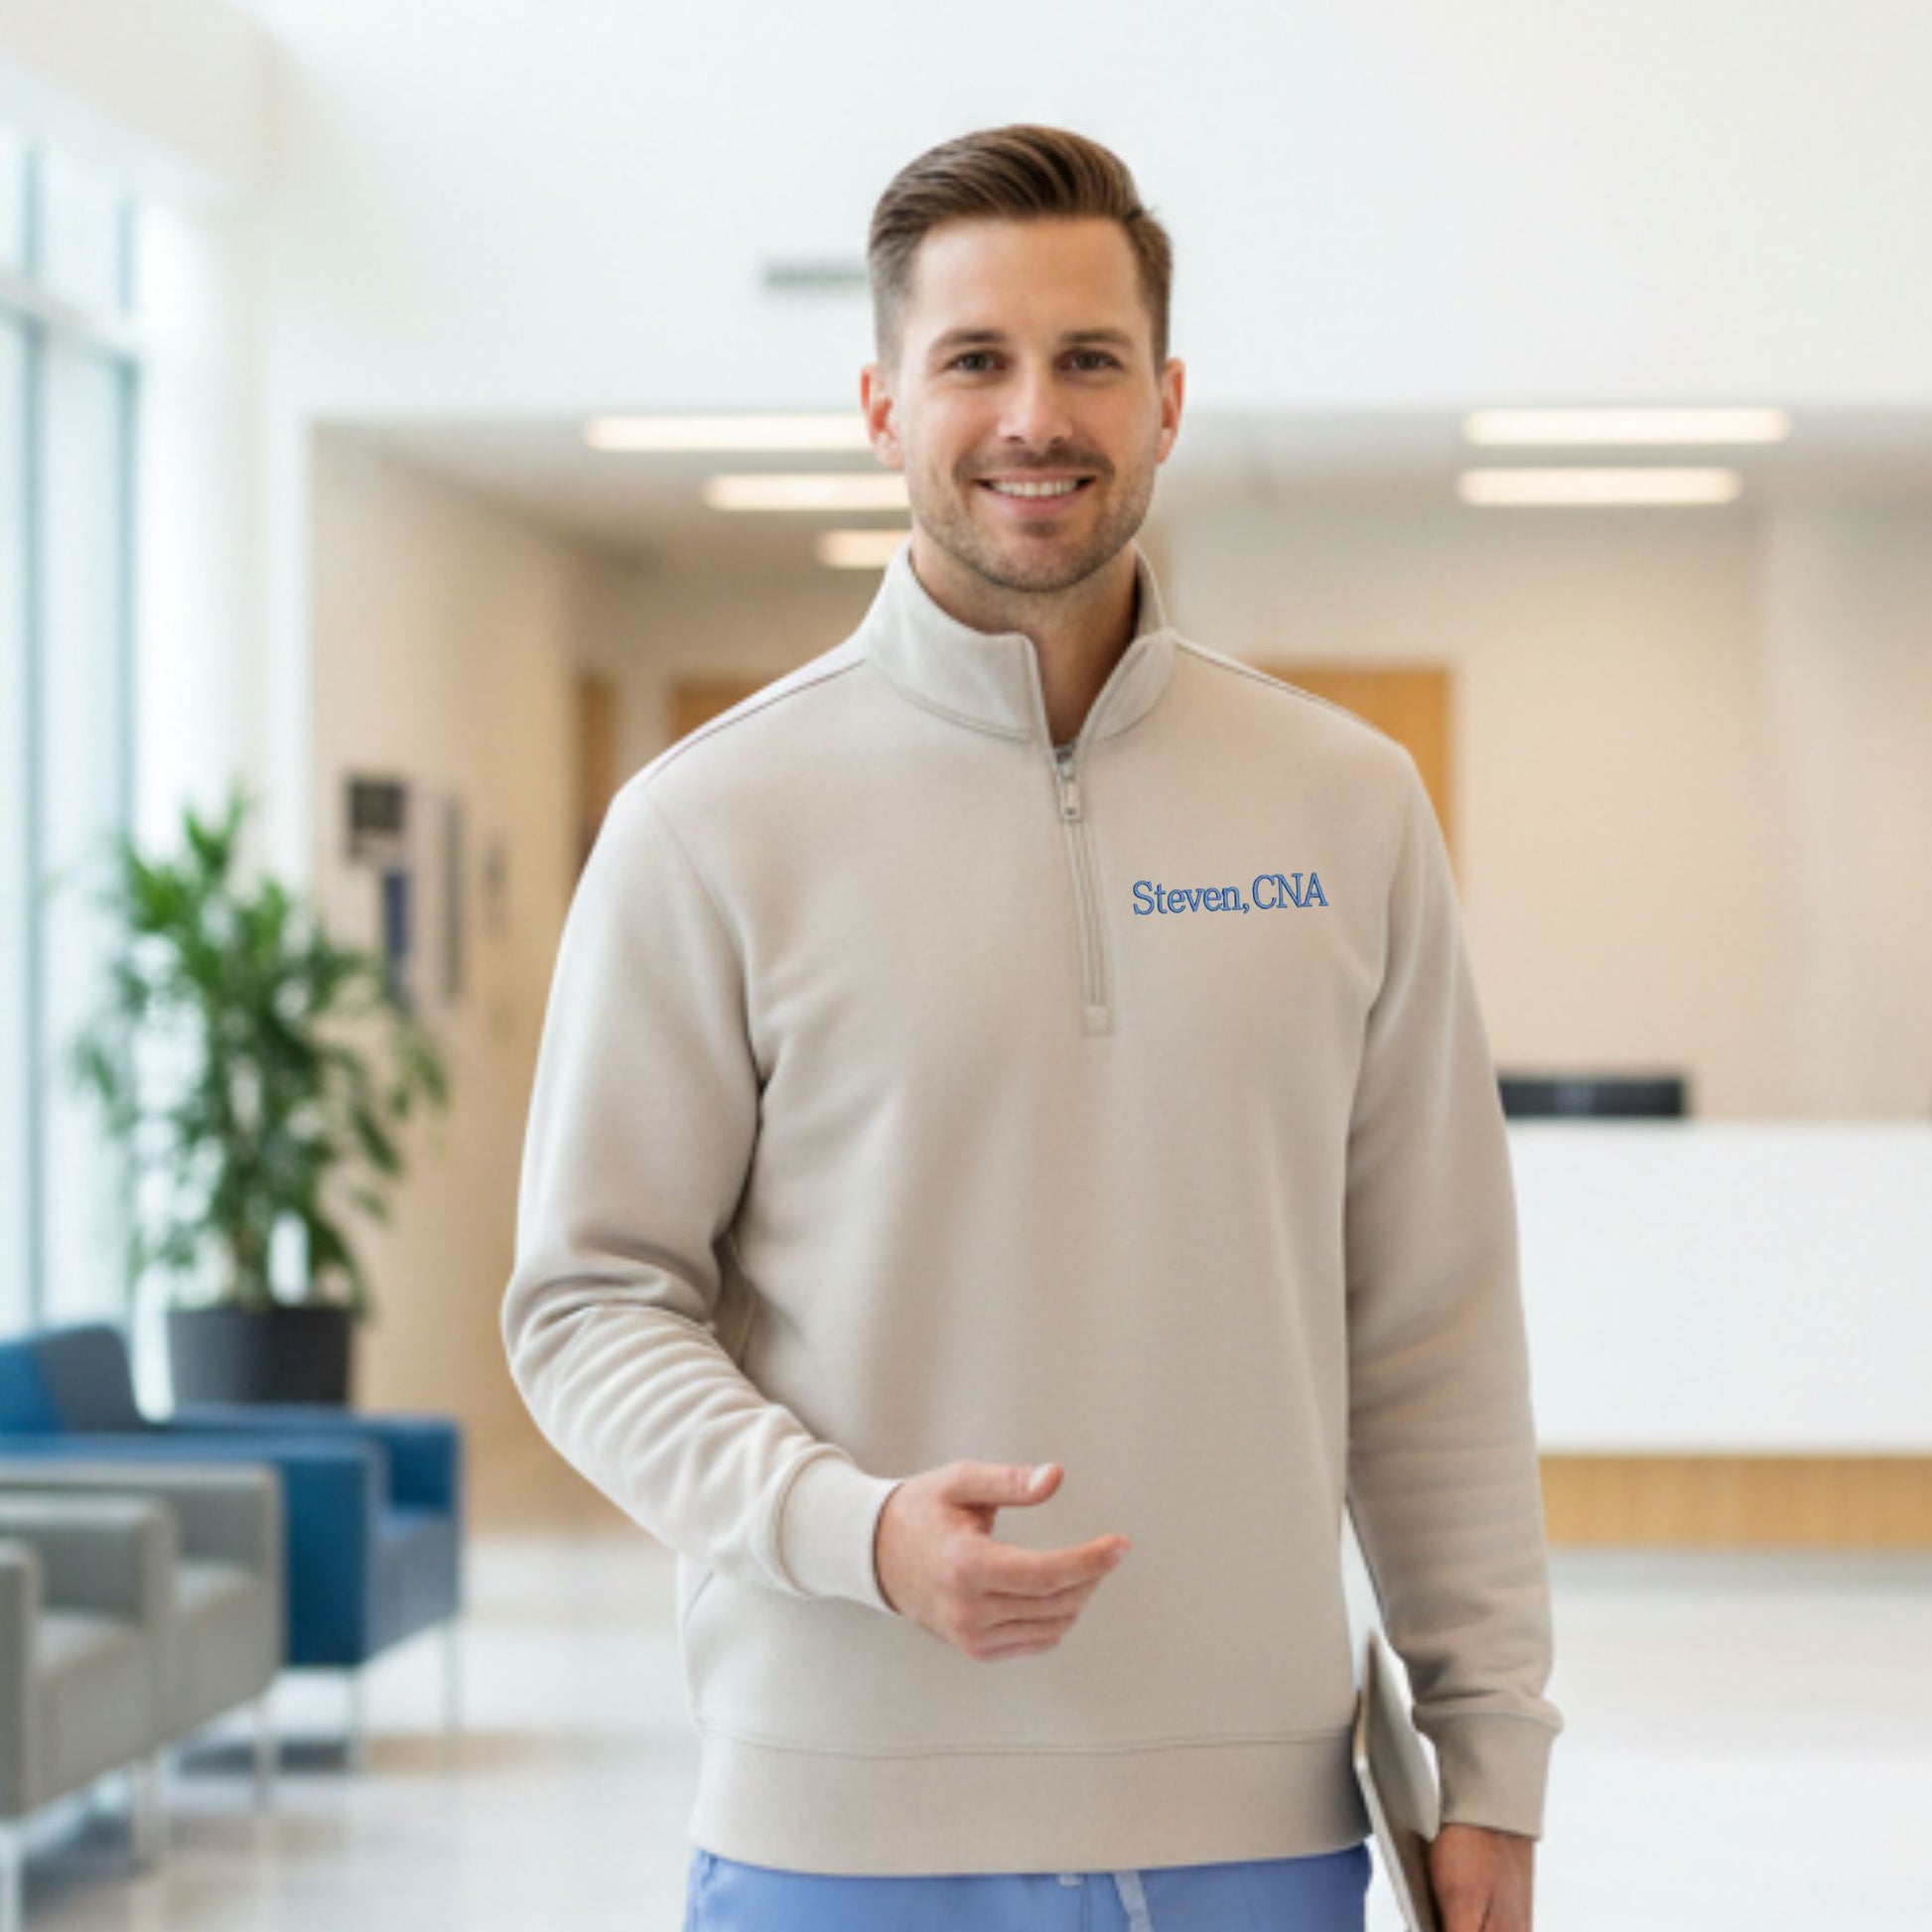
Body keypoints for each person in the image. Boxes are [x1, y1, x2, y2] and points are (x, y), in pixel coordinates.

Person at [501, 123, 1563, 1932]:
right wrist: (855, 1528)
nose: (1032, 417)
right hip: (830, 1830)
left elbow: (1431, 1322)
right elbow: (587, 1308)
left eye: (1085, 360)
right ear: (878, 402)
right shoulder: (707, 824)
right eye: (972, 360)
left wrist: (1489, 1759)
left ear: (1163, 399)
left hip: (1261, 1825)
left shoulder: (1349, 807)